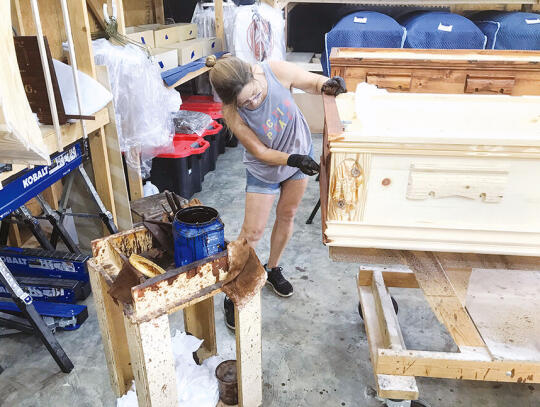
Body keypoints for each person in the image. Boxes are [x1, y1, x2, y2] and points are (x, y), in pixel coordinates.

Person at [206, 55, 346, 329]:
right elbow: (260, 151)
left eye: (256, 94)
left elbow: (313, 83)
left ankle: (272, 269)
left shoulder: (274, 70)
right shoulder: (232, 113)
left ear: (255, 74)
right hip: (266, 168)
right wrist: (293, 159)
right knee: (252, 232)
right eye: (247, 103)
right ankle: (233, 289)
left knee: (288, 214)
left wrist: (328, 83)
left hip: (298, 155)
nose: (254, 102)